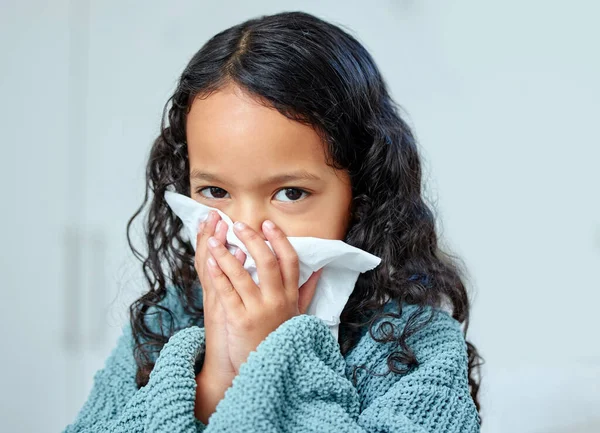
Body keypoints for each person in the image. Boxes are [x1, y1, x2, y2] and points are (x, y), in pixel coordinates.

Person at [63, 10, 483, 433]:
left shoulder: (418, 346)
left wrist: (274, 357)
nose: (244, 231)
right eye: (215, 192)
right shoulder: (164, 322)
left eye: (291, 193)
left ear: (361, 194)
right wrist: (213, 381)